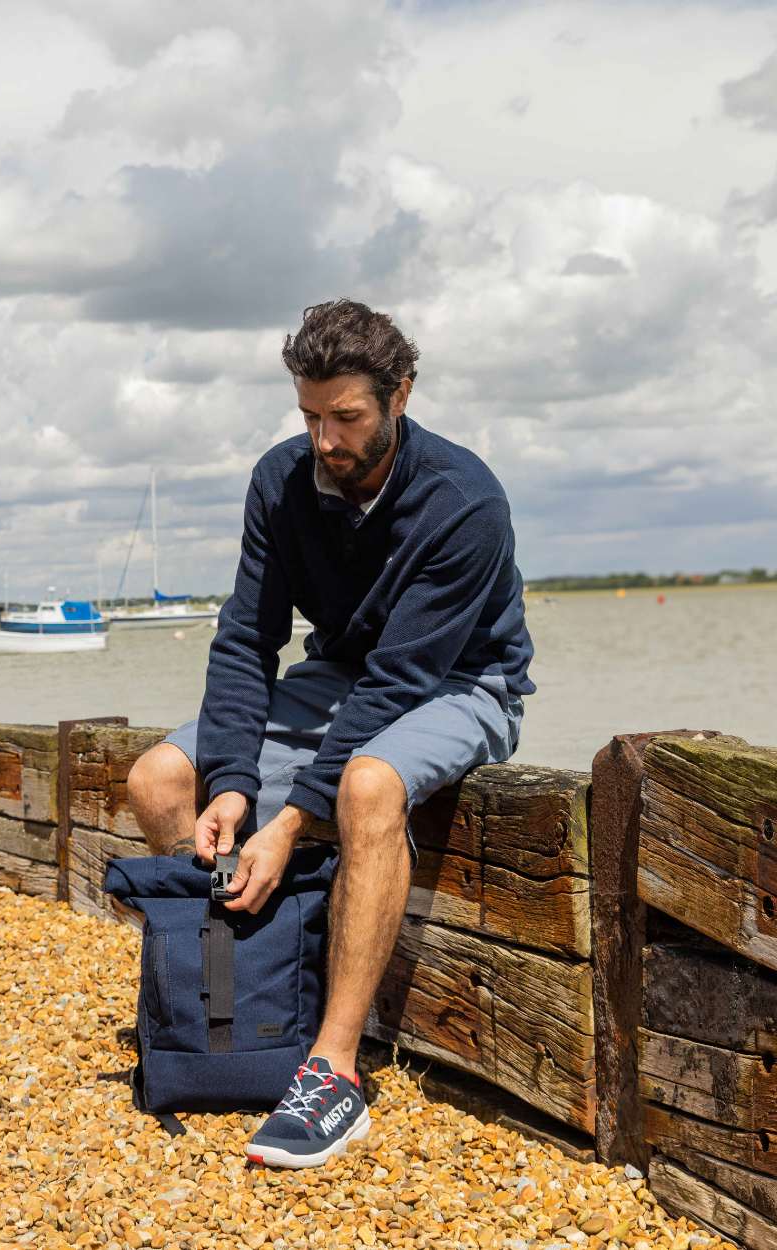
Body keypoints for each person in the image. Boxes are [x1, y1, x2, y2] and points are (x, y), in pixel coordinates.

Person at [128, 299, 535, 1168]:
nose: (326, 440)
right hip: (341, 670)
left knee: (368, 785)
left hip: (463, 677)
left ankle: (332, 1068)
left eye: (346, 417)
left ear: (400, 396)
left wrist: (284, 825)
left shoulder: (465, 504)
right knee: (158, 780)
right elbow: (247, 638)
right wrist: (233, 784)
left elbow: (401, 684)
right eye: (310, 416)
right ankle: (225, 998)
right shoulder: (281, 479)